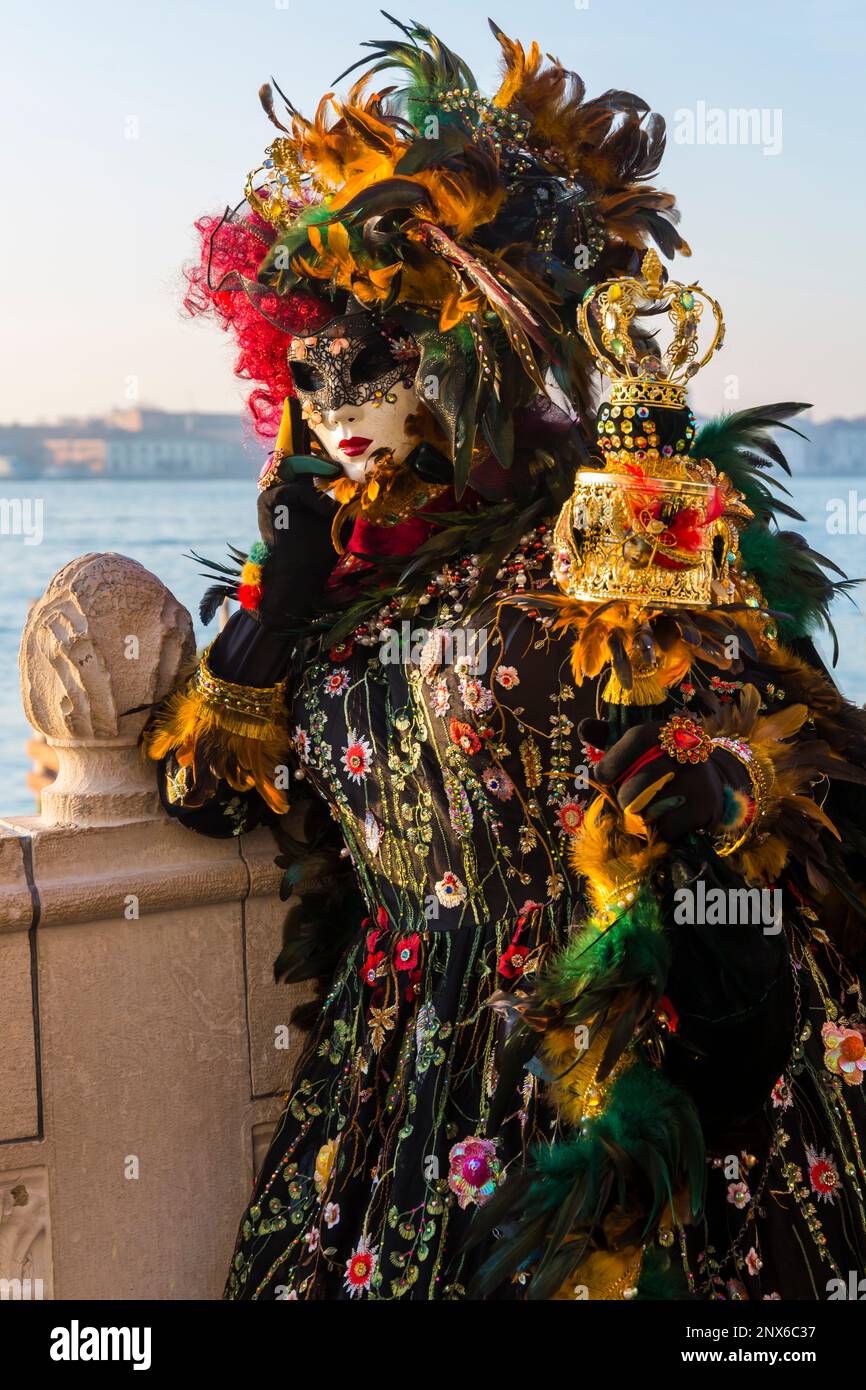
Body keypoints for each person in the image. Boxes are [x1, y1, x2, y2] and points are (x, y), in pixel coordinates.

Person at [143, 19, 866, 1300]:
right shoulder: (333, 583)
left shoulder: (609, 525)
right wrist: (279, 602)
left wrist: (716, 791)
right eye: (304, 367)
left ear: (460, 351)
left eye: (366, 357)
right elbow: (203, 797)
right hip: (400, 1076)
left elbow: (796, 754)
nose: (330, 400)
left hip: (600, 1047)